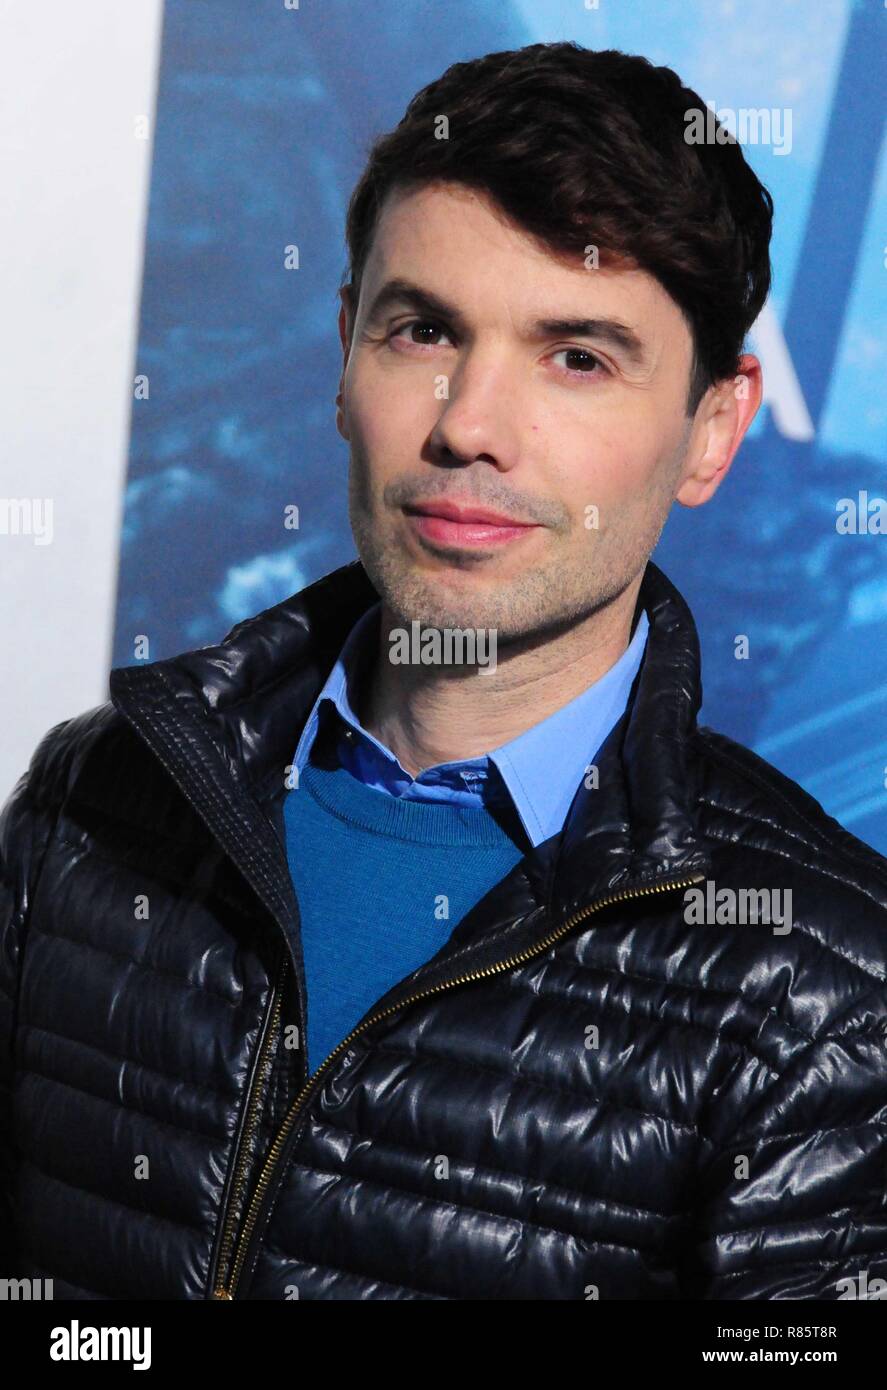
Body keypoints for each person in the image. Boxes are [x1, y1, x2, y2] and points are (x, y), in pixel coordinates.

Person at [2, 41, 886, 1302]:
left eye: (576, 356)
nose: (468, 423)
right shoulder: (98, 796)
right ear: (343, 352)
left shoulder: (829, 985)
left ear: (709, 431)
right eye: (422, 329)